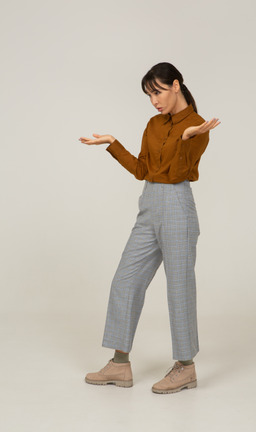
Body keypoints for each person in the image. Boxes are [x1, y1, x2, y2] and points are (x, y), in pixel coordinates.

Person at [79, 62, 220, 394]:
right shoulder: (153, 124)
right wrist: (113, 144)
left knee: (179, 287)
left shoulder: (198, 126)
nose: (154, 100)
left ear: (175, 85)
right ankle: (119, 364)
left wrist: (188, 139)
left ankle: (185, 368)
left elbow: (181, 171)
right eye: (148, 95)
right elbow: (143, 170)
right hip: (149, 205)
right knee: (125, 280)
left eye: (157, 91)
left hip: (177, 206)